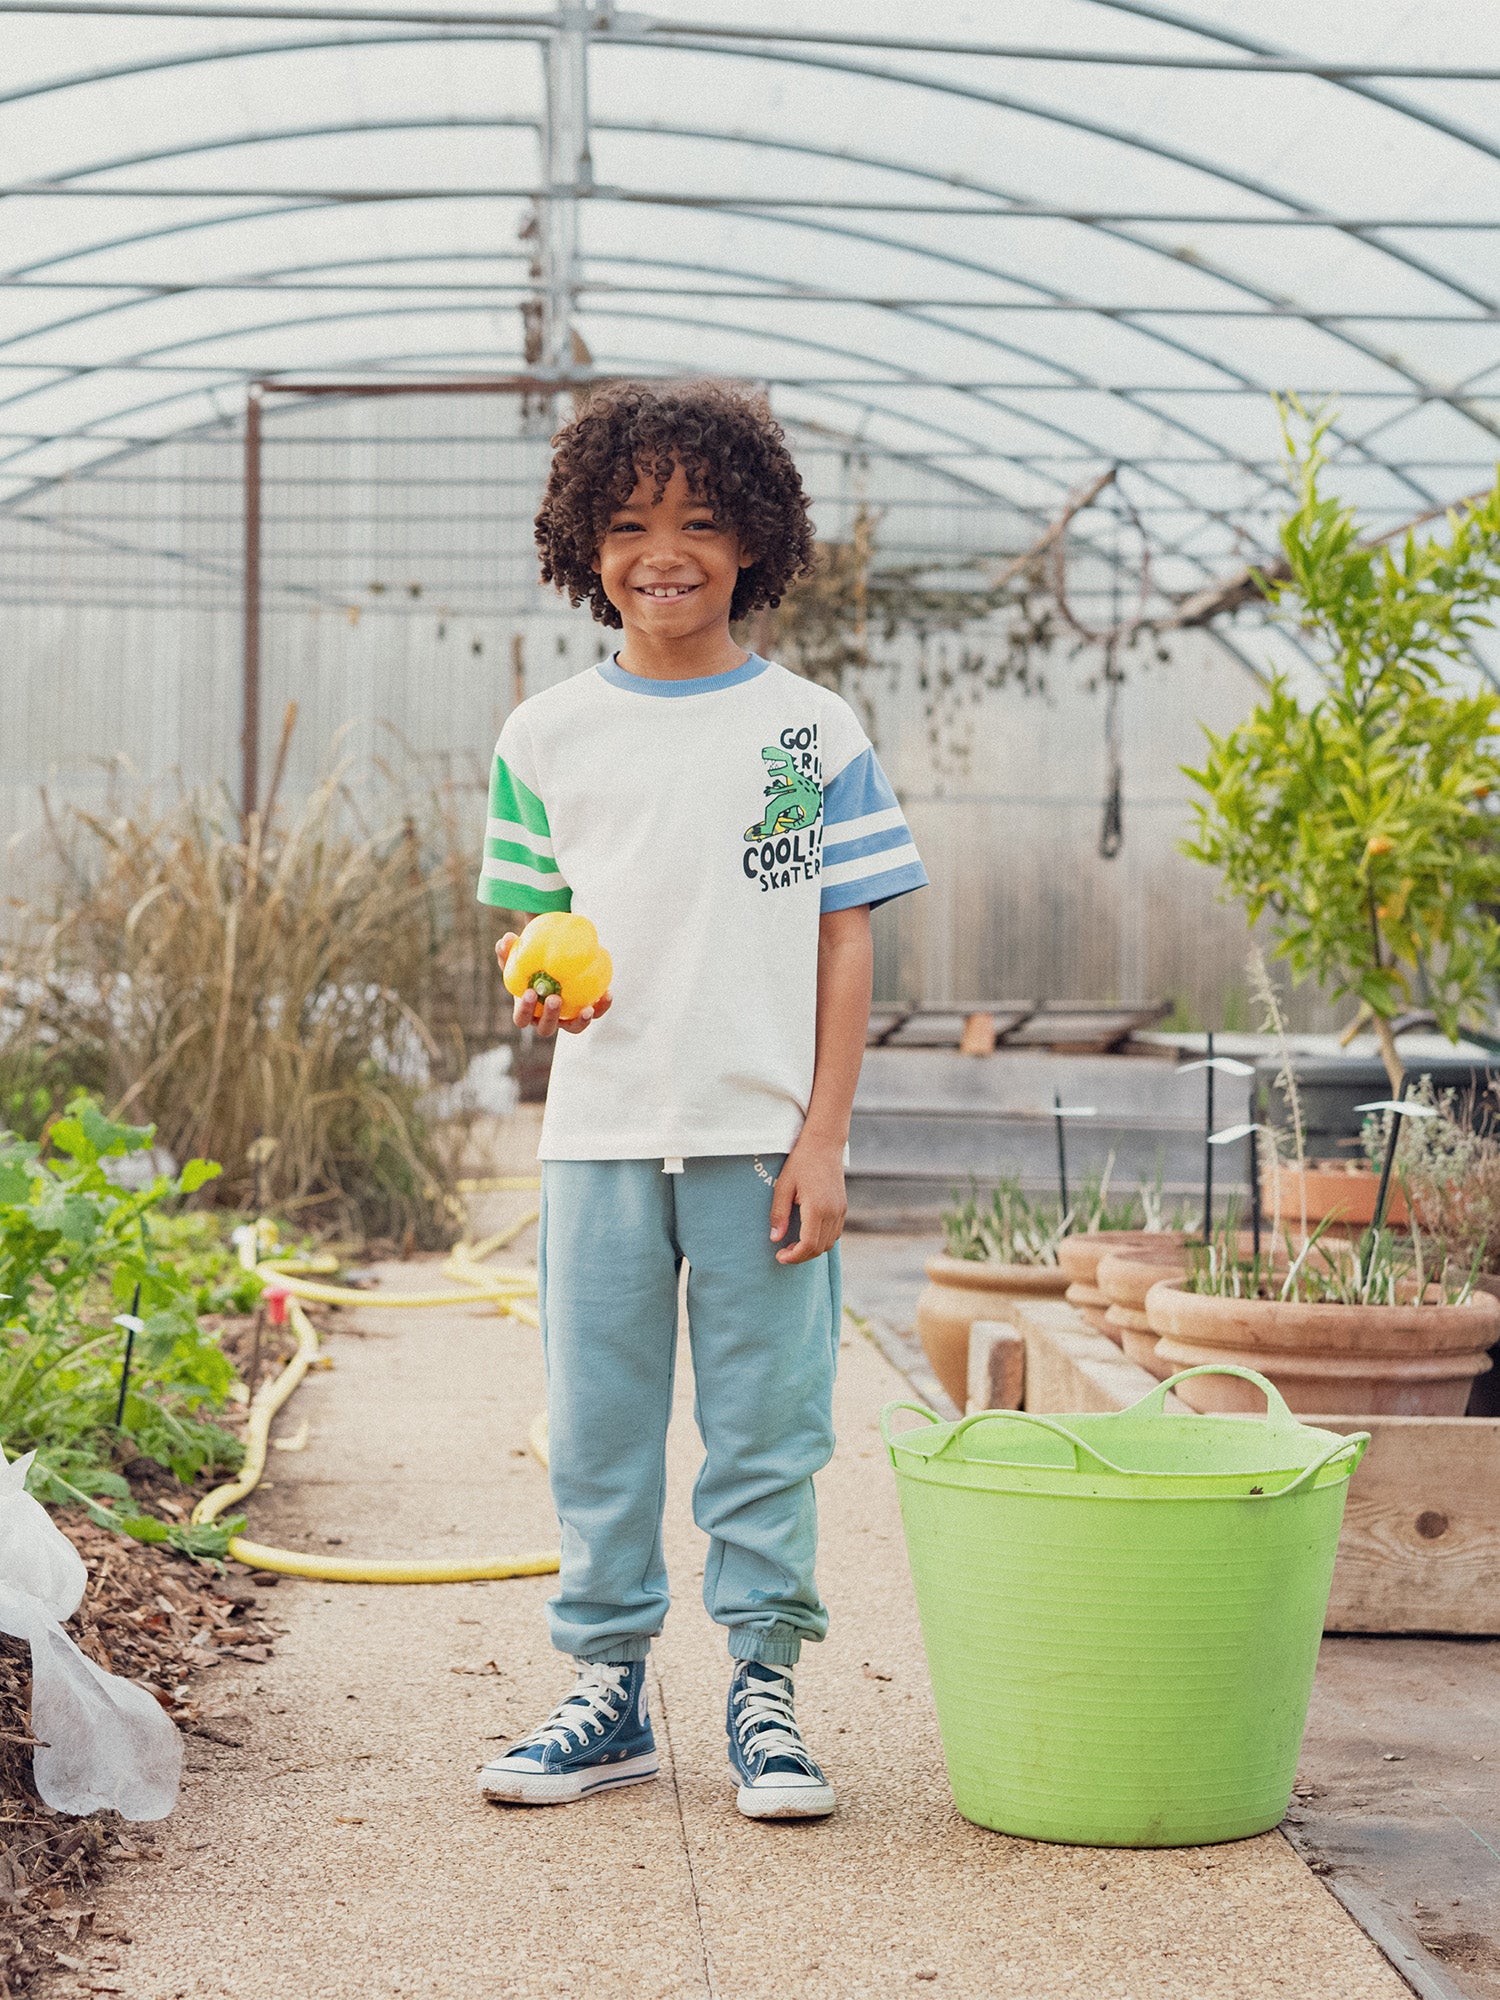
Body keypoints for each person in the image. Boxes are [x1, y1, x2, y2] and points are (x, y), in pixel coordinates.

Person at [474, 379, 926, 1820]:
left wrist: (825, 1137)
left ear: (754, 545)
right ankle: (606, 1692)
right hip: (599, 1139)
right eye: (625, 524)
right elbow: (526, 938)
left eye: (698, 522)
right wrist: (542, 996)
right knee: (599, 1429)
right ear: (581, 547)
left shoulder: (808, 732)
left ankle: (766, 1692)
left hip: (758, 1146)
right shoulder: (544, 738)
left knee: (769, 1429)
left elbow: (845, 932)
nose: (659, 553)